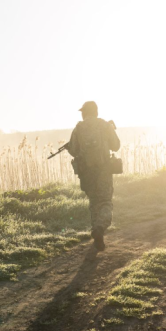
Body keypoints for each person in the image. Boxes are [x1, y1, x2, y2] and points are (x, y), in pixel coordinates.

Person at [67, 101, 121, 252]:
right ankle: (100, 228)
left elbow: (74, 150)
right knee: (105, 202)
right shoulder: (105, 125)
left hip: (86, 172)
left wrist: (70, 148)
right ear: (96, 112)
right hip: (104, 170)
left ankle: (98, 236)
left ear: (85, 112)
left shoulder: (78, 128)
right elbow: (116, 145)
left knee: (94, 203)